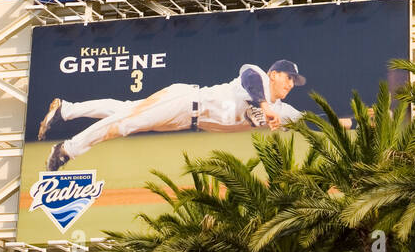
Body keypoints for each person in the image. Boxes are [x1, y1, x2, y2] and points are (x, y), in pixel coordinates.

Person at [38, 59, 306, 170]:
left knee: (125, 109)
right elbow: (249, 79)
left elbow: (316, 120)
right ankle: (67, 150)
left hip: (185, 120)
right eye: (288, 77)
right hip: (184, 101)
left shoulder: (283, 110)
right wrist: (265, 105)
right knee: (125, 123)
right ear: (273, 74)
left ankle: (67, 110)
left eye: (295, 81)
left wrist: (344, 123)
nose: (291, 83)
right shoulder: (258, 77)